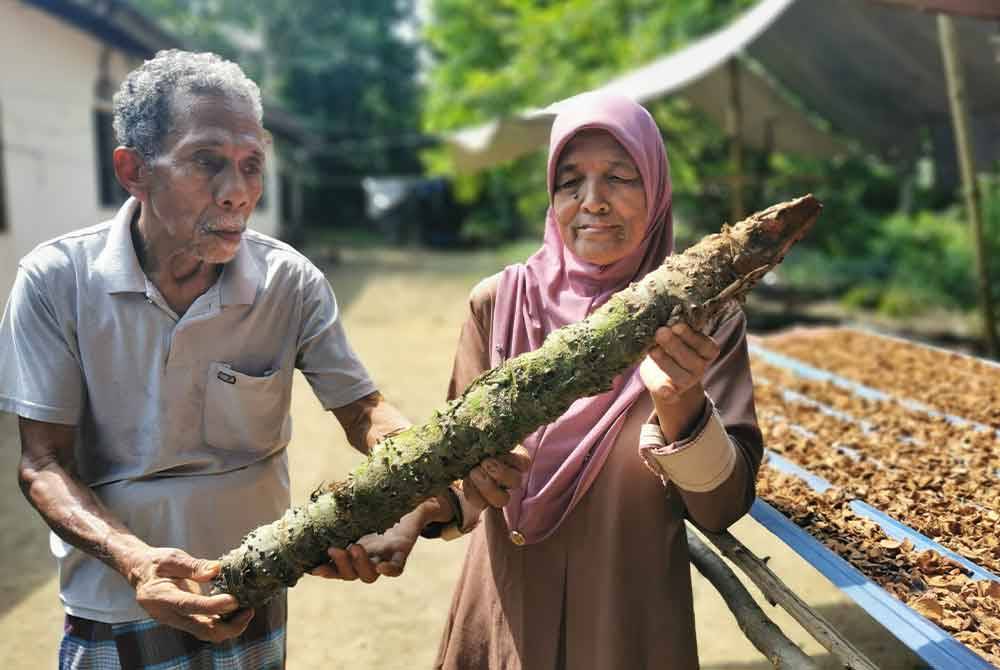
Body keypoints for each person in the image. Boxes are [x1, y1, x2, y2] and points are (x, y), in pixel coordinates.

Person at [0, 49, 523, 670]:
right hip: (114, 606)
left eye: (252, 166)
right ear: (133, 170)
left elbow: (363, 412)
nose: (239, 193)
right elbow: (43, 462)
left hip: (253, 593)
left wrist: (433, 470)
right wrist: (135, 561)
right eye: (207, 162)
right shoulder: (57, 281)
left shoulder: (289, 283)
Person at [432, 92, 765, 669]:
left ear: (657, 190)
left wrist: (681, 404)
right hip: (506, 608)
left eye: (619, 177)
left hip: (627, 623)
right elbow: (458, 475)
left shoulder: (704, 319)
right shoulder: (499, 305)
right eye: (569, 182)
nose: (593, 203)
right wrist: (417, 516)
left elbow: (720, 508)